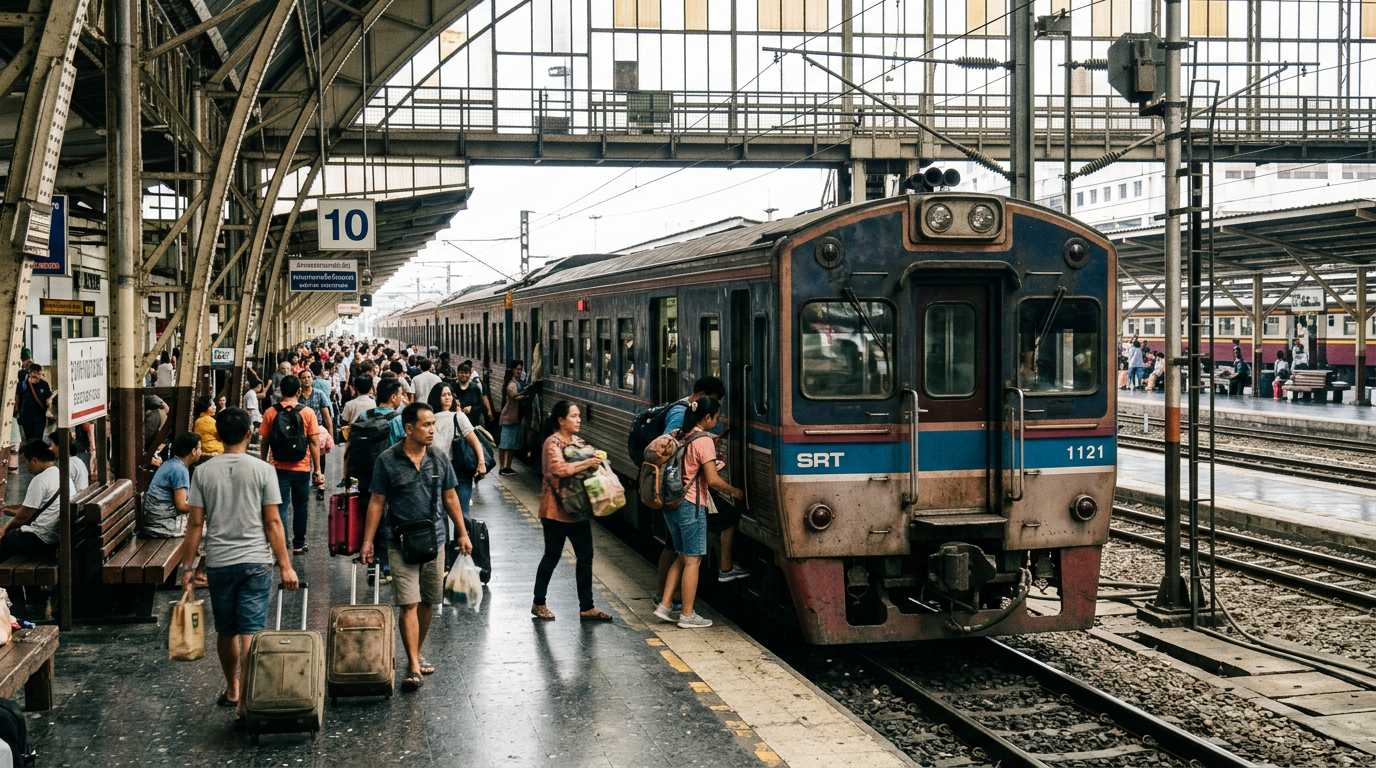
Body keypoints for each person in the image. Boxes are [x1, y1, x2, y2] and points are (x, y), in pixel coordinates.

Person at [180, 407, 298, 721]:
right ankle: (247, 699)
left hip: (219, 563)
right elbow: (273, 522)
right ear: (249, 434)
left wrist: (188, 568)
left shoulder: (203, 471)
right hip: (257, 562)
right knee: (252, 632)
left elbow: (195, 525)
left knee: (227, 630)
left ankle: (232, 688)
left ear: (217, 434)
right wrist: (286, 566)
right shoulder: (263, 470)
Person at [360, 402, 472, 693]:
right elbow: (376, 501)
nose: (432, 430)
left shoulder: (438, 458)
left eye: (433, 424)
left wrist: (462, 532)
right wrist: (368, 541)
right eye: (426, 425)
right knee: (408, 602)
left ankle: (416, 651)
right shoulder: (387, 460)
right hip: (399, 542)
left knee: (428, 601)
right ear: (409, 428)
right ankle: (412, 664)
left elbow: (450, 497)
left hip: (434, 540)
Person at [654, 397, 743, 629]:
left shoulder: (680, 433)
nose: (718, 420)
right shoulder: (703, 441)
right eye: (716, 417)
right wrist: (734, 491)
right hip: (691, 505)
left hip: (671, 504)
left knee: (681, 555)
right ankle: (687, 615)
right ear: (707, 417)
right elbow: (712, 481)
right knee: (693, 561)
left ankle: (664, 606)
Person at [532, 401, 614, 623]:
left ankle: (587, 607)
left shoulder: (578, 442)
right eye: (574, 416)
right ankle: (538, 603)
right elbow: (558, 469)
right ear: (561, 420)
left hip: (578, 509)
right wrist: (587, 462)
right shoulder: (552, 443)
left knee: (585, 557)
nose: (579, 420)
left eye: (579, 416)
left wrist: (596, 463)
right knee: (552, 556)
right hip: (556, 510)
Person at [258, 376, 322, 554]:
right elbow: (314, 442)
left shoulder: (271, 412)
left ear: (281, 392)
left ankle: (282, 545)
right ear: (299, 392)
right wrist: (317, 470)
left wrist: (265, 462)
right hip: (302, 468)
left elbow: (264, 441)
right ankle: (299, 544)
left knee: (281, 506)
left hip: (278, 467)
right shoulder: (307, 412)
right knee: (301, 506)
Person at [0, 440, 83, 562]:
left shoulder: (40, 480)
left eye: (25, 462)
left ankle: (6, 578)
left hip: (43, 539)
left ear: (34, 460)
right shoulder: (59, 473)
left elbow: (24, 516)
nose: (26, 467)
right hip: (57, 536)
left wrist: (5, 529)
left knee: (7, 540)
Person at [427, 382, 486, 518]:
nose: (448, 398)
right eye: (443, 395)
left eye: (449, 395)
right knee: (439, 515)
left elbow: (475, 440)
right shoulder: (429, 418)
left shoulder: (458, 416)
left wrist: (481, 461)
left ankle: (463, 537)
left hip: (459, 471)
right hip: (437, 471)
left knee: (462, 514)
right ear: (436, 397)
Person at [143, 433, 201, 538]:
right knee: (202, 530)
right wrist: (204, 507)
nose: (201, 452)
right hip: (161, 526)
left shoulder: (171, 464)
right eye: (200, 449)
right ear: (193, 451)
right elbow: (182, 505)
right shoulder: (179, 470)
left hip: (156, 520)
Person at [497, 360, 528, 475]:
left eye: (520, 369)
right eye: (517, 369)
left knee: (511, 445)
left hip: (515, 418)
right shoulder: (512, 384)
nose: (519, 371)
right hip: (508, 417)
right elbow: (513, 395)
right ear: (513, 370)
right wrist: (525, 394)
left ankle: (508, 467)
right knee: (504, 444)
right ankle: (501, 467)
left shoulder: (520, 382)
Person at [14, 365, 50, 443]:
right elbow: (17, 399)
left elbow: (48, 399)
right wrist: (16, 412)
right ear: (30, 373)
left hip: (39, 417)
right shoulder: (22, 384)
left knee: (37, 438)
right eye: (35, 373)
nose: (37, 376)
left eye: (39, 374)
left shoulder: (44, 384)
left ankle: (36, 454)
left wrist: (48, 411)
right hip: (25, 417)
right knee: (28, 439)